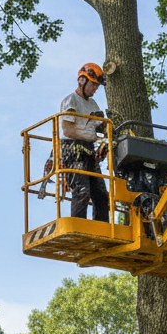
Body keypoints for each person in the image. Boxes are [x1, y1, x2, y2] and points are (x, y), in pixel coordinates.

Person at [59, 62, 109, 222]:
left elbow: (101, 128)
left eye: (97, 86)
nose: (95, 89)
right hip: (73, 150)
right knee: (81, 190)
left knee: (101, 194)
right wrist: (91, 135)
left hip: (89, 151)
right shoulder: (70, 101)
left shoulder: (93, 104)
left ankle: (102, 228)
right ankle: (78, 226)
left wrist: (107, 132)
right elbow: (67, 130)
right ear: (82, 80)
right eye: (93, 84)